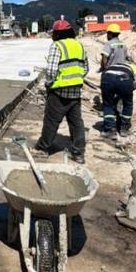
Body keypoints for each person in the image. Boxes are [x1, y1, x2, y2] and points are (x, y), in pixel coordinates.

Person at [34, 19, 89, 164]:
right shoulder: (80, 45)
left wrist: (49, 83)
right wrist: (75, 79)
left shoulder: (57, 46)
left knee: (51, 121)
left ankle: (42, 148)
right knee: (76, 123)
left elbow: (51, 70)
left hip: (59, 91)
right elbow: (86, 69)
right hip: (76, 92)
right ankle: (78, 153)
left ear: (57, 34)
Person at [101, 60, 136, 139]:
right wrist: (126, 93)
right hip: (124, 78)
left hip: (106, 77)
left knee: (108, 104)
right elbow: (135, 85)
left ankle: (110, 130)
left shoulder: (113, 65)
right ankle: (124, 129)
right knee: (127, 104)